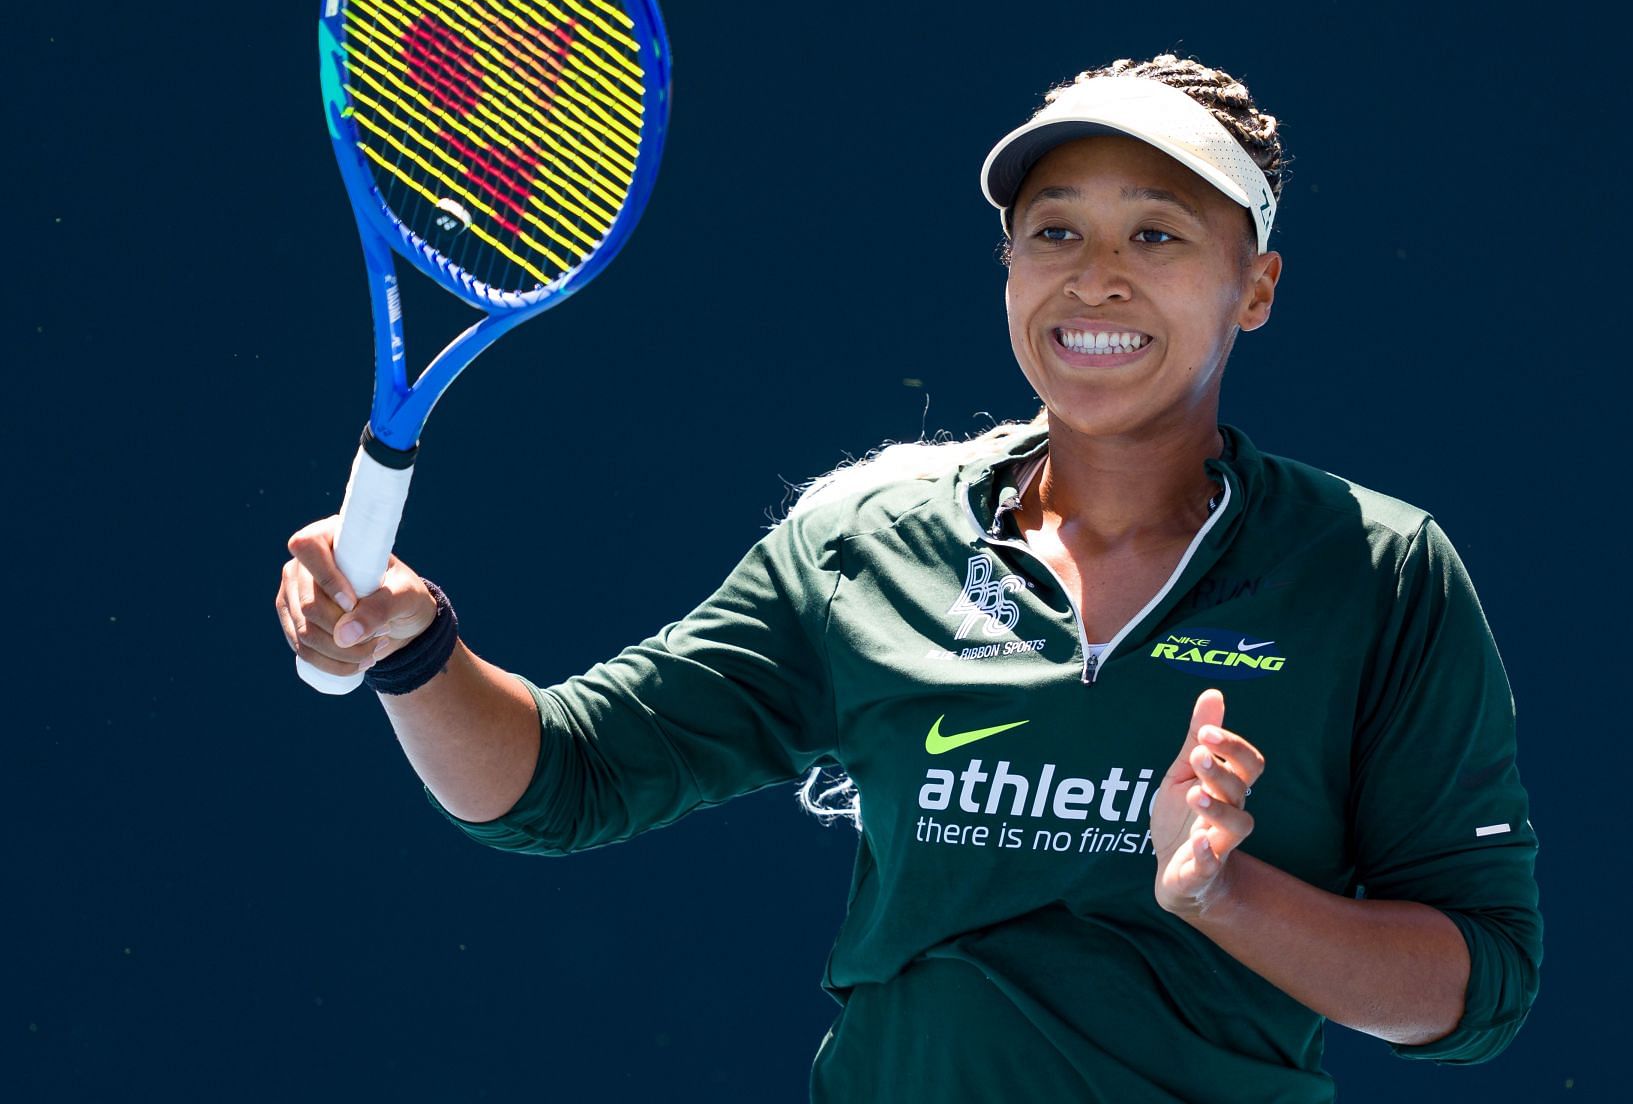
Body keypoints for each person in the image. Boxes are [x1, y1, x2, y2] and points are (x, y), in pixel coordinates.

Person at [276, 54, 1542, 1101]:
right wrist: (414, 651)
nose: (1096, 273)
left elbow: (1477, 984)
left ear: (1254, 287)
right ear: (1008, 268)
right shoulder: (863, 539)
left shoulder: (1378, 572)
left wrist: (1229, 893)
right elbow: (563, 779)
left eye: (1157, 232)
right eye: (1055, 229)